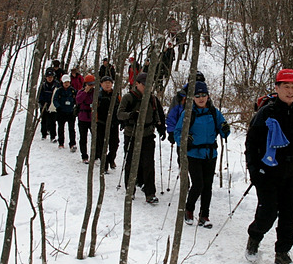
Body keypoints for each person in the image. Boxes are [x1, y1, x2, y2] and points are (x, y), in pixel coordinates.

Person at [244, 68, 293, 264]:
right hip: (267, 171)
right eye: (286, 86)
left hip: (290, 171)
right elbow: (251, 143)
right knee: (268, 213)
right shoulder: (266, 113)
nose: (290, 91)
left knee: (290, 214)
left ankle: (282, 253)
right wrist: (253, 169)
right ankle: (254, 239)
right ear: (277, 88)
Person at [174, 81, 230, 227]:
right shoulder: (188, 113)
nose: (201, 98)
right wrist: (186, 139)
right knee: (198, 184)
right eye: (197, 95)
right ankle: (189, 209)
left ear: (208, 96)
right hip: (194, 154)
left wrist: (225, 128)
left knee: (208, 186)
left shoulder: (214, 112)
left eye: (203, 95)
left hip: (210, 154)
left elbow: (224, 130)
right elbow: (177, 132)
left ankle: (204, 216)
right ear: (192, 97)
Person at [117, 72, 166, 204]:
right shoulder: (128, 97)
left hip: (148, 134)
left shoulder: (153, 99)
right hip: (131, 134)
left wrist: (161, 128)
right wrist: (131, 115)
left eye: (149, 84)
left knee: (148, 164)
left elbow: (157, 114)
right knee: (131, 162)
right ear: (137, 84)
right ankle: (130, 190)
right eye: (144, 84)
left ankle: (150, 193)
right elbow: (119, 114)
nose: (146, 87)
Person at [95, 75, 121, 170]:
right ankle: (104, 164)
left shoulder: (116, 95)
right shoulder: (98, 95)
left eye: (109, 83)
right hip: (101, 123)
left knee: (115, 144)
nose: (107, 85)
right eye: (105, 83)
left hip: (114, 124)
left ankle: (111, 159)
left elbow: (120, 108)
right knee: (101, 144)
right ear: (101, 84)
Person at [52, 74, 77, 150]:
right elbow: (55, 99)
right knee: (61, 128)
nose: (66, 84)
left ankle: (72, 144)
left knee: (71, 129)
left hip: (70, 112)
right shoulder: (59, 91)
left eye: (68, 82)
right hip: (61, 112)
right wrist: (58, 107)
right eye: (65, 82)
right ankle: (61, 143)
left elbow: (77, 100)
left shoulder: (73, 91)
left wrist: (75, 108)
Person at [75, 74, 96, 163]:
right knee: (83, 138)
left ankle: (96, 155)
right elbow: (78, 100)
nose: (91, 86)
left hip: (93, 119)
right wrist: (85, 92)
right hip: (83, 118)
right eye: (89, 84)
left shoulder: (96, 92)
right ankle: (84, 156)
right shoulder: (81, 92)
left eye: (92, 84)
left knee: (95, 138)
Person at [37, 69, 59, 141]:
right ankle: (44, 134)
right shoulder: (43, 85)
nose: (50, 78)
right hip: (44, 105)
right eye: (48, 77)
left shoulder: (56, 85)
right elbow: (40, 95)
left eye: (51, 77)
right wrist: (41, 102)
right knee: (44, 120)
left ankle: (53, 136)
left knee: (53, 121)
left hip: (53, 105)